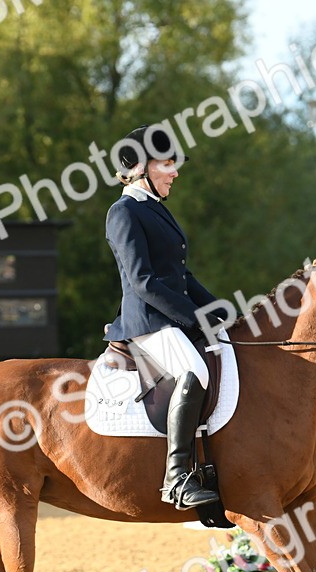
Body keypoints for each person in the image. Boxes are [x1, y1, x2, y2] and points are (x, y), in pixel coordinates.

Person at [103, 124, 224, 510]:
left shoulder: (155, 210)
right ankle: (177, 479)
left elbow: (181, 276)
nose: (175, 172)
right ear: (139, 167)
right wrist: (194, 319)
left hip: (170, 317)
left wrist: (219, 310)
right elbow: (143, 282)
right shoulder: (123, 212)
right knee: (194, 371)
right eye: (168, 164)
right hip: (147, 322)